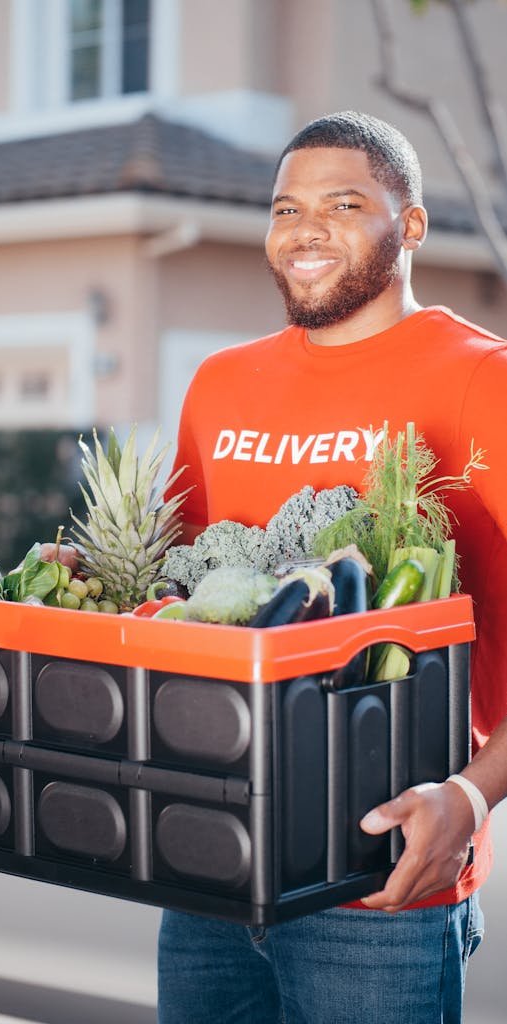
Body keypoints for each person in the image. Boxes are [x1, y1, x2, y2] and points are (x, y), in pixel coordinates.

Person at [158, 111, 507, 1023]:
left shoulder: (480, 377)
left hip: (381, 877)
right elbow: (177, 597)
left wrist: (470, 797)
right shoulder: (219, 382)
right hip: (208, 858)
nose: (305, 227)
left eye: (344, 202)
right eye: (285, 208)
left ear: (412, 225)